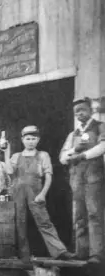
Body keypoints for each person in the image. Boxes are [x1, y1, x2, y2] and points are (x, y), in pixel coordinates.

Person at [5, 126, 74, 261]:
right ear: (22, 140)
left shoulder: (43, 155)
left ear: (38, 140)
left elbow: (48, 177)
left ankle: (60, 251)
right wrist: (6, 153)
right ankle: (23, 256)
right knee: (19, 222)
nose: (30, 141)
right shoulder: (16, 156)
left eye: (33, 139)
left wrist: (43, 193)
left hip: (35, 192)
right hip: (17, 191)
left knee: (44, 221)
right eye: (28, 139)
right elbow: (9, 171)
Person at [60, 97, 105, 264]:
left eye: (83, 109)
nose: (79, 113)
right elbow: (63, 157)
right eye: (76, 111)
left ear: (91, 110)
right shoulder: (73, 134)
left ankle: (97, 254)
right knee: (79, 214)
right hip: (77, 178)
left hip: (94, 176)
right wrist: (74, 150)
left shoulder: (100, 127)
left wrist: (83, 155)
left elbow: (102, 147)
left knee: (94, 213)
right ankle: (82, 251)